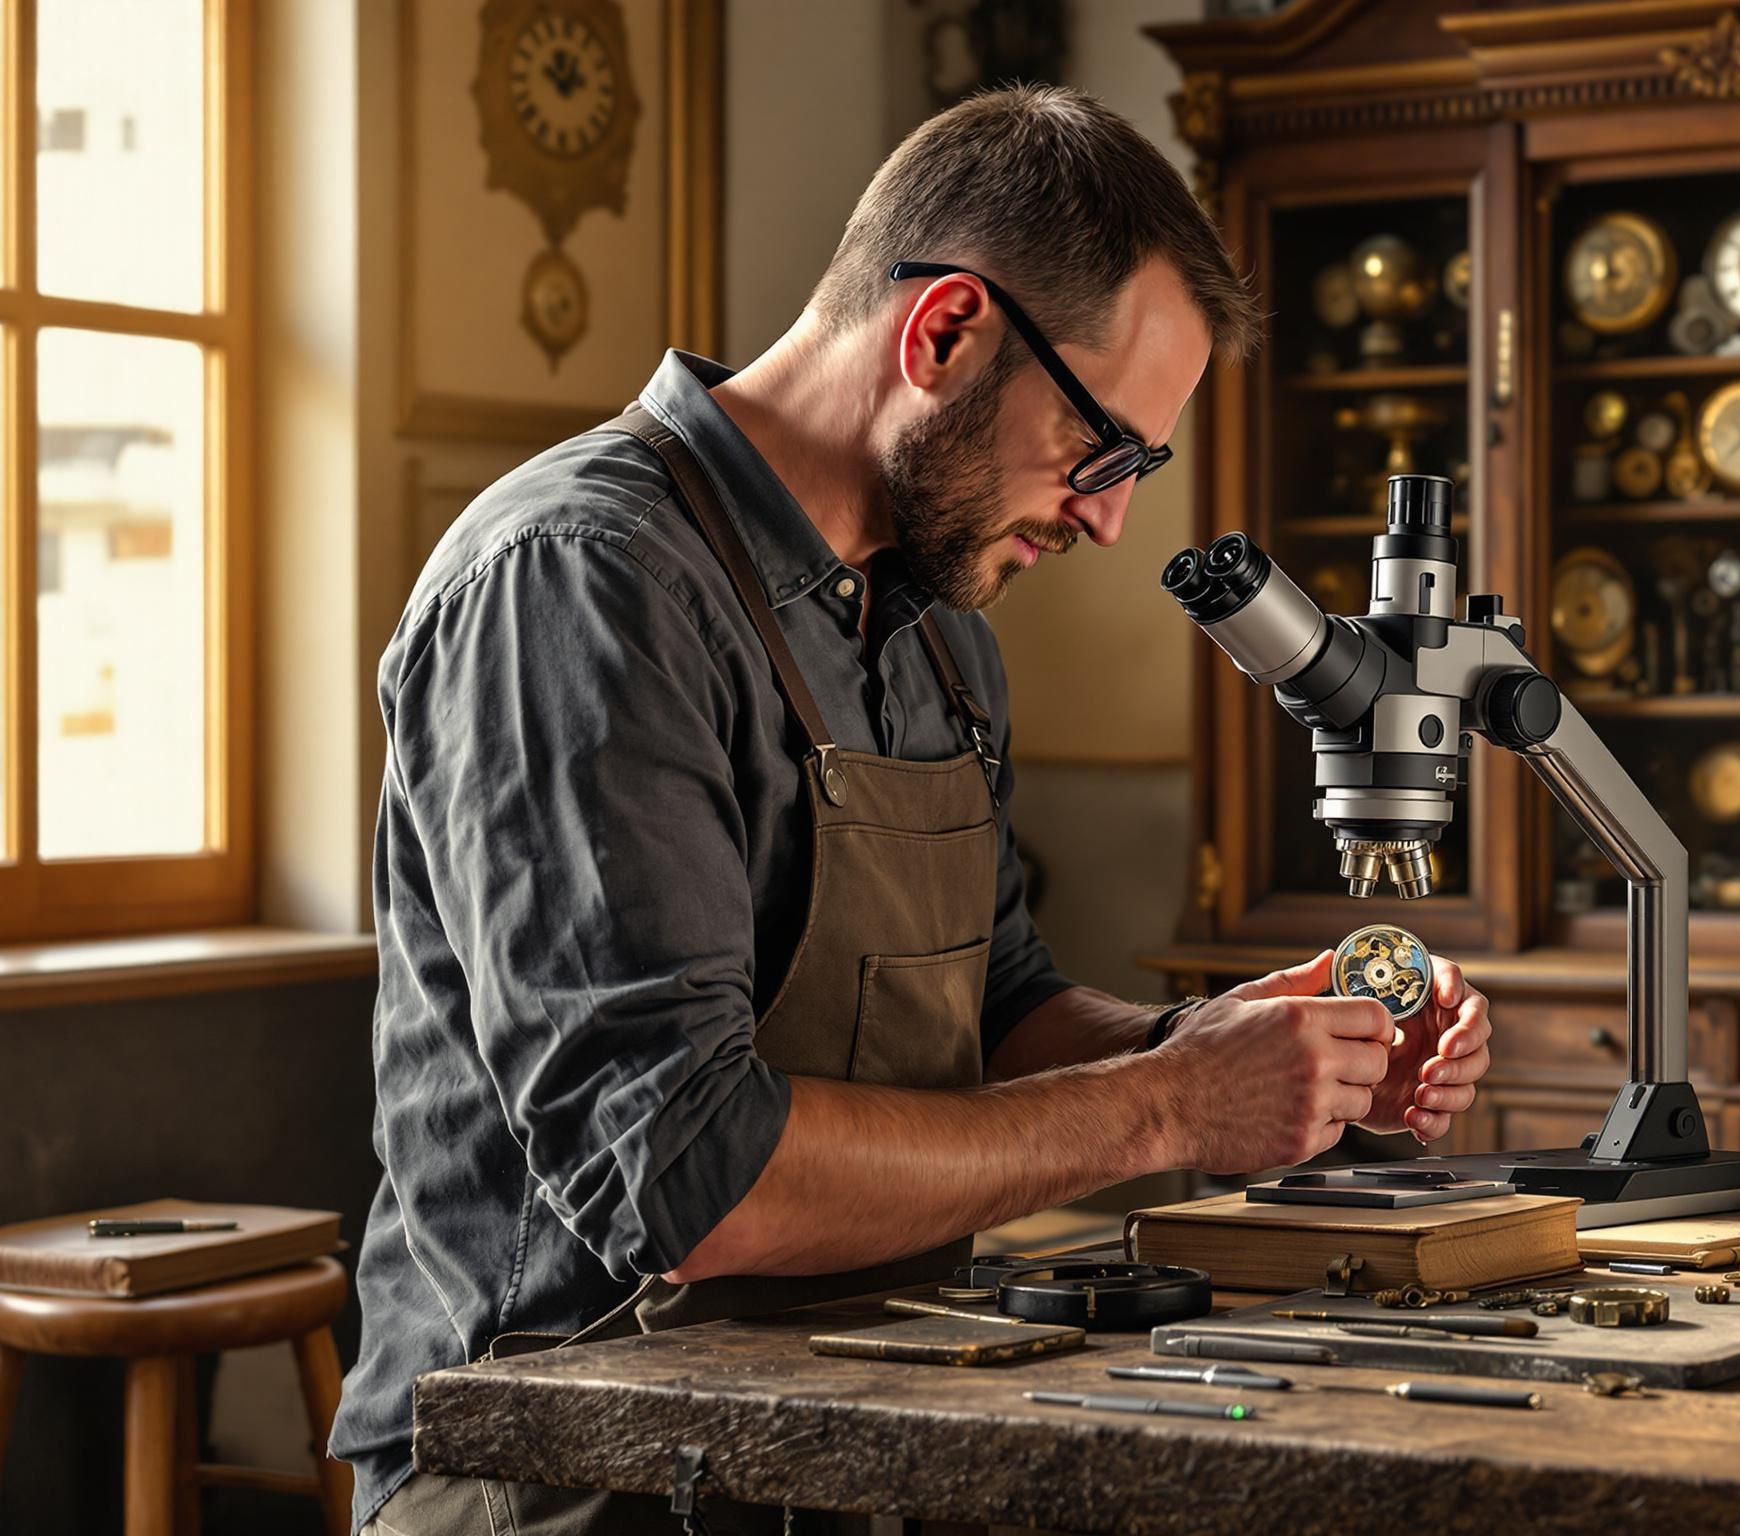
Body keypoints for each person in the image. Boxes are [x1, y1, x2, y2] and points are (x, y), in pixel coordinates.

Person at [336, 84, 1493, 1535]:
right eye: (1104, 452)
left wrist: (1239, 1048)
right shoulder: (579, 581)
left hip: (852, 1437)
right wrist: (1168, 1102)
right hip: (572, 1472)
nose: (1111, 518)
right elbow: (687, 1181)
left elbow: (991, 1011)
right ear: (944, 332)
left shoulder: (944, 633)